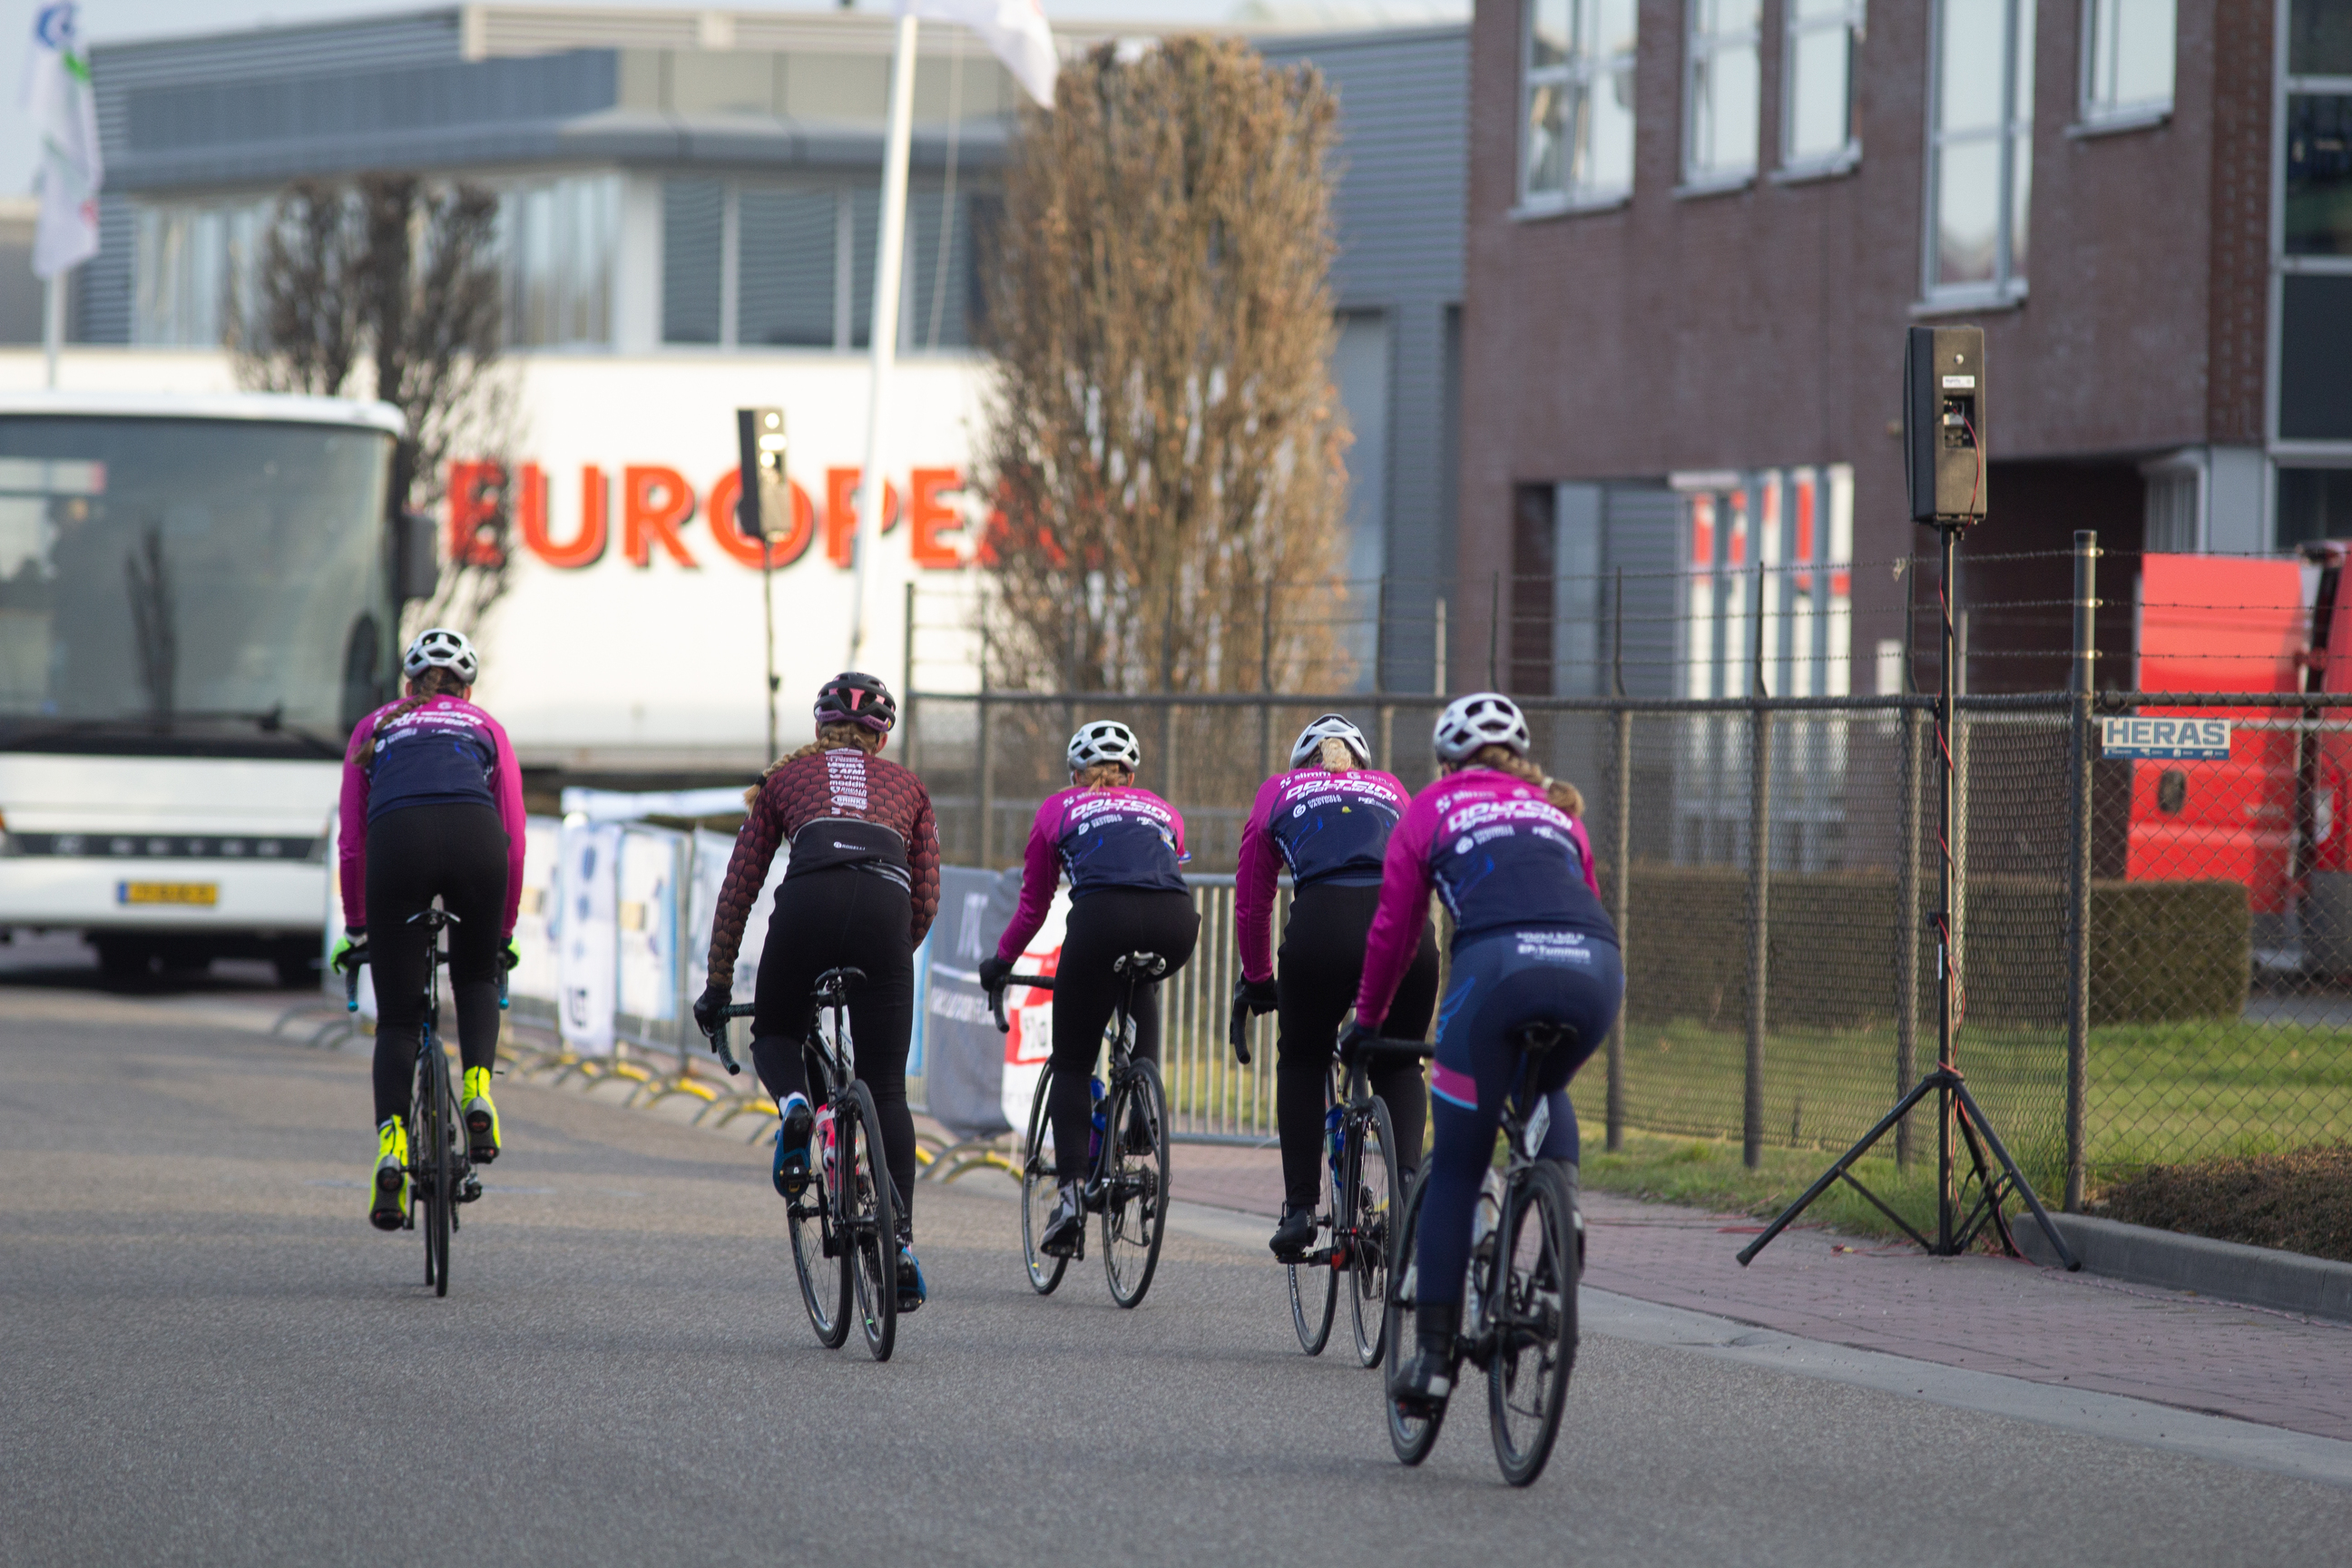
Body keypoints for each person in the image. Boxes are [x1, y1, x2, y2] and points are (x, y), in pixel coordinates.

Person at [1344, 692, 1622, 1415]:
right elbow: (1585, 893)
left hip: (1497, 971)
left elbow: (1396, 934)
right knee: (1544, 1084)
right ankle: (1564, 1208)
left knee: (1461, 1165)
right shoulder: (1556, 809)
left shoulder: (1431, 807)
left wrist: (1367, 1021)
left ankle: (1434, 1363)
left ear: (1446, 760)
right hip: (1595, 965)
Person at [693, 672, 940, 1312]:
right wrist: (889, 961)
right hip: (885, 917)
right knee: (886, 1089)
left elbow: (739, 887)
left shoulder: (783, 781)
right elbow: (928, 895)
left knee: (775, 1034)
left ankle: (799, 1106)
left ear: (818, 730)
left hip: (807, 906)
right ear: (881, 739)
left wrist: (718, 983)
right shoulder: (909, 785)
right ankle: (903, 1245)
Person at [978, 720, 1199, 1259]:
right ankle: (1142, 1110)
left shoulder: (1059, 809)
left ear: (1076, 774)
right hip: (1177, 922)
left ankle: (1072, 1196)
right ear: (1132, 773)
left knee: (1073, 1063)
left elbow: (1033, 906)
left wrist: (1002, 961)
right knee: (1138, 978)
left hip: (1101, 921)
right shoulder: (1162, 808)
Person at [333, 628, 525, 1232]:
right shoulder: (484, 726)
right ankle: (477, 1094)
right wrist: (502, 932)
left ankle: (391, 1149)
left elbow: (352, 838)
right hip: (476, 841)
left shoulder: (374, 727)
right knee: (473, 975)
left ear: (408, 685)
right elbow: (514, 836)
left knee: (397, 1018)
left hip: (399, 846)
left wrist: (358, 924)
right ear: (466, 688)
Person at [1232, 713, 1438, 1261]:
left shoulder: (1278, 790)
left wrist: (1257, 980)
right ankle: (1409, 1193)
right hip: (1407, 931)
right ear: (1361, 763)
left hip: (1322, 928)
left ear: (1302, 765)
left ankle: (1300, 1210)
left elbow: (1253, 901)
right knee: (1398, 1062)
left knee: (1302, 1058)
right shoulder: (1391, 787)